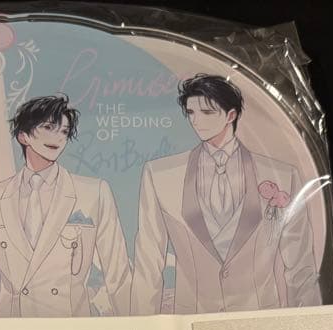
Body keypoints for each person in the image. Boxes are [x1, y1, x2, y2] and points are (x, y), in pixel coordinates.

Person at [0, 95, 131, 318]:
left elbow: (118, 276)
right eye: (49, 127)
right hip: (12, 328)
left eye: (64, 131)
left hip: (69, 327)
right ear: (23, 135)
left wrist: (139, 329)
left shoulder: (93, 193)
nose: (58, 137)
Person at [131, 74, 320, 315]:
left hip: (260, 317)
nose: (196, 121)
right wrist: (142, 328)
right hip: (190, 319)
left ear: (231, 115)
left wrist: (308, 325)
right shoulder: (160, 175)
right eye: (191, 112)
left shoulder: (282, 175)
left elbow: (300, 263)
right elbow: (148, 261)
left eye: (207, 112)